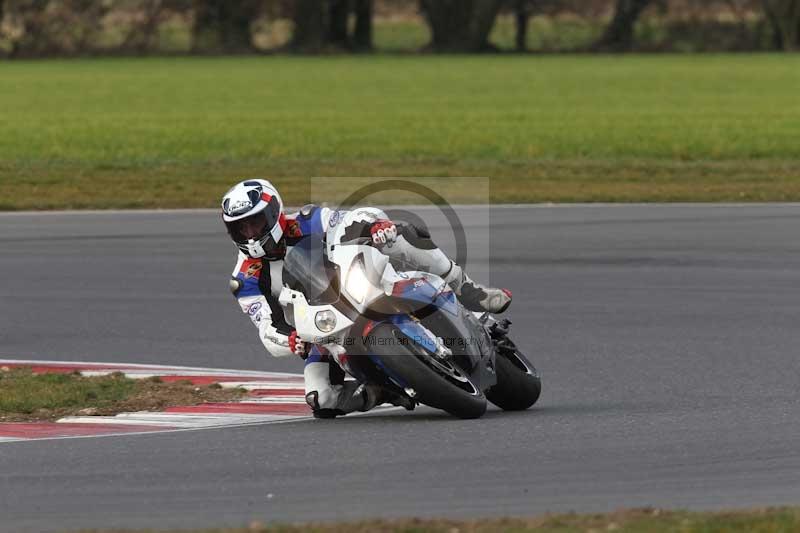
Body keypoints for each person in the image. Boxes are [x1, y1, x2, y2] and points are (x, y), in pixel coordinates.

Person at [222, 179, 512, 418]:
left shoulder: (310, 220)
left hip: (360, 284)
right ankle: (381, 392)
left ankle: (469, 290)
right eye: (241, 228)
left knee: (401, 235)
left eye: (255, 223)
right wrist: (291, 339)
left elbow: (352, 219)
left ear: (273, 213)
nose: (249, 233)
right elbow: (265, 325)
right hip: (322, 330)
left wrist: (374, 225)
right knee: (321, 400)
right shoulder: (245, 278)